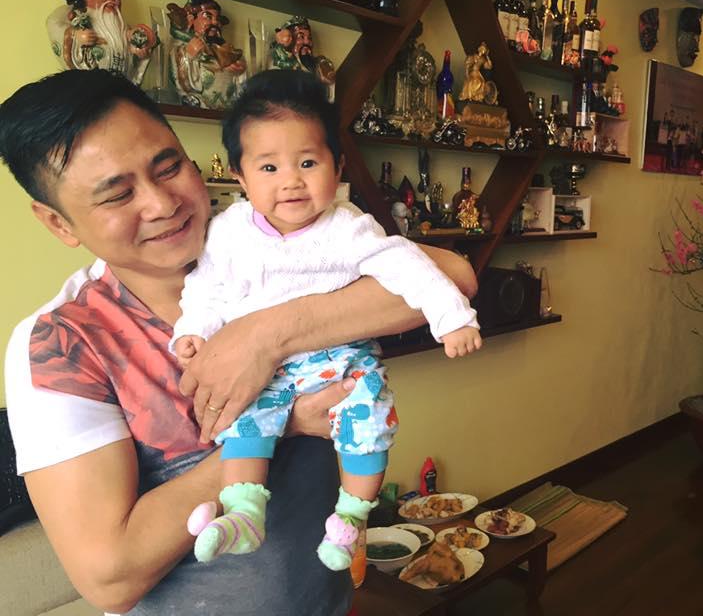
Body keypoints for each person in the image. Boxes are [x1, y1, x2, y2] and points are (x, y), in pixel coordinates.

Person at [0, 69, 477, 615]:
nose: (161, 204)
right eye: (118, 194)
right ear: (59, 223)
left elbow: (454, 276)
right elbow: (110, 577)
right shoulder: (62, 344)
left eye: (169, 167)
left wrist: (263, 336)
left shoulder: (269, 238)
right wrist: (283, 421)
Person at [171, 69, 482, 568]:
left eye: (308, 162)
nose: (291, 180)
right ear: (240, 176)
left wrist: (452, 319)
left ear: (337, 168)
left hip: (341, 358)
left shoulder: (347, 227)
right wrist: (192, 331)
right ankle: (244, 512)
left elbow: (408, 266)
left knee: (369, 413)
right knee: (245, 420)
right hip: (265, 371)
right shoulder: (228, 232)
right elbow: (206, 288)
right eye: (268, 167)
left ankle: (351, 517)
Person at [46, 0, 156, 84]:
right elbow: (53, 23)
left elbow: (134, 66)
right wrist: (75, 34)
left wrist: (140, 54)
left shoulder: (124, 29)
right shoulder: (79, 20)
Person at [167, 0, 247, 110]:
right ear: (191, 20)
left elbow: (241, 88)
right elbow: (182, 86)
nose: (214, 22)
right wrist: (188, 56)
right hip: (199, 107)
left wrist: (240, 72)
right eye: (208, 17)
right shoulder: (182, 49)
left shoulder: (227, 52)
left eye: (217, 19)